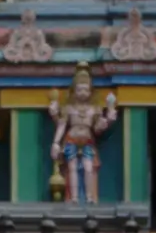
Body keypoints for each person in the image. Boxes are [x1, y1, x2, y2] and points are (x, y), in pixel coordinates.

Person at [47, 67, 117, 204]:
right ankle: (74, 198)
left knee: (88, 167)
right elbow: (62, 125)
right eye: (79, 90)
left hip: (87, 141)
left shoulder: (94, 109)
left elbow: (97, 129)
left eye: (86, 90)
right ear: (74, 91)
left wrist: (107, 119)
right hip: (71, 139)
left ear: (91, 92)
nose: (83, 93)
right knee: (72, 168)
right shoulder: (69, 108)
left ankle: (90, 197)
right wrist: (56, 143)